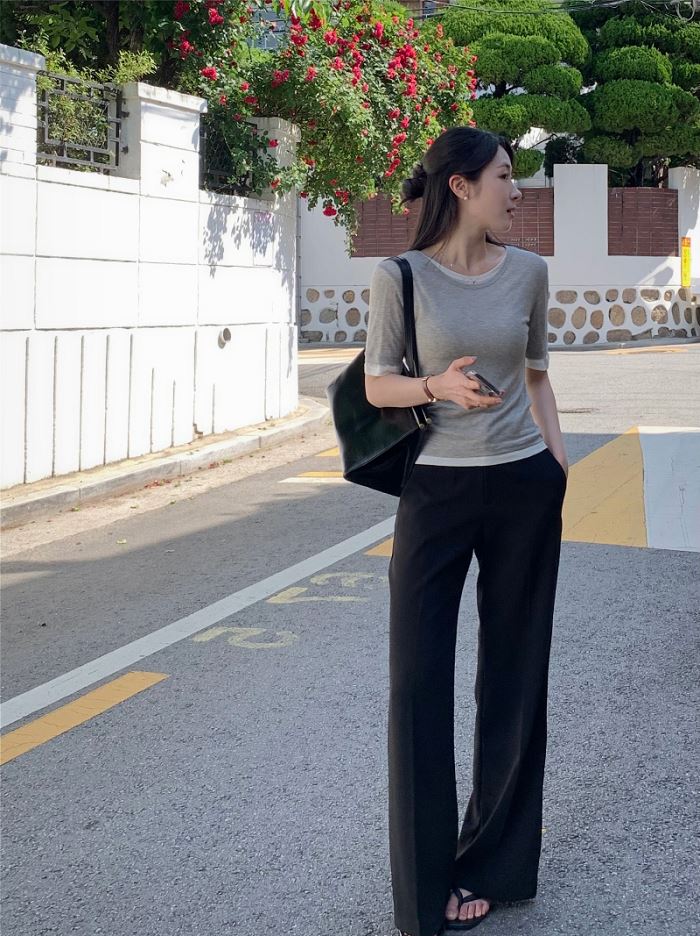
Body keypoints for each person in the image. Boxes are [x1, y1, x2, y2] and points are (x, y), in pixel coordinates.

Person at [364, 127, 568, 936]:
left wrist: (556, 462)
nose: (517, 192)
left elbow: (539, 374)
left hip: (523, 486)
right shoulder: (400, 276)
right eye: (506, 177)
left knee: (515, 677)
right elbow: (376, 385)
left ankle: (492, 864)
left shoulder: (529, 272)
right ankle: (425, 891)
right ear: (461, 186)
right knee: (418, 682)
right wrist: (435, 386)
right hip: (436, 491)